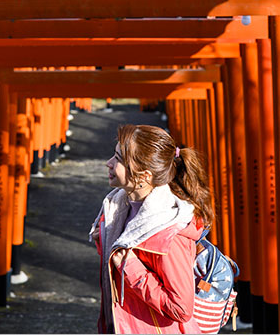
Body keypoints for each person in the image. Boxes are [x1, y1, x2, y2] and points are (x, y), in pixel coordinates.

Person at [89, 124, 215, 334]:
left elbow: (182, 309)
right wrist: (104, 237)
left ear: (144, 176)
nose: (109, 164)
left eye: (118, 159)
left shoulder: (168, 232)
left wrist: (131, 268)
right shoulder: (120, 208)